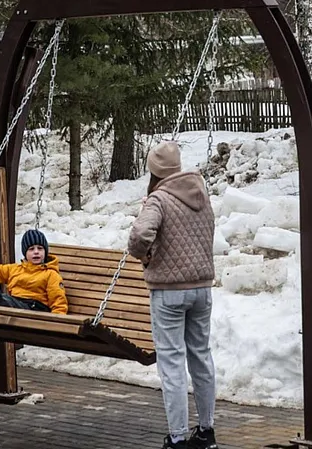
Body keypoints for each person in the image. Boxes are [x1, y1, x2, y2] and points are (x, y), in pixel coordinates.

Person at [128, 141, 218, 449]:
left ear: (153, 170)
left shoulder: (159, 199)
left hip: (168, 293)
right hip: (202, 289)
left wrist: (145, 256)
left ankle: (178, 437)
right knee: (201, 357)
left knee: (172, 364)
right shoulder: (201, 194)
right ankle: (206, 432)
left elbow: (140, 235)